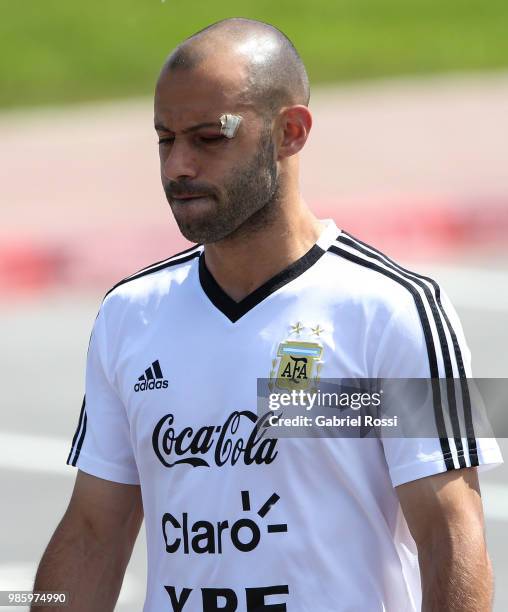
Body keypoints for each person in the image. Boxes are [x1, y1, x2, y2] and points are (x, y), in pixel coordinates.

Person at [33, 17, 502, 612]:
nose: (178, 165)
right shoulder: (129, 314)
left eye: (209, 137)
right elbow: (92, 535)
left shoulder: (392, 311)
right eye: (164, 138)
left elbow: (451, 540)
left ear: (291, 132)